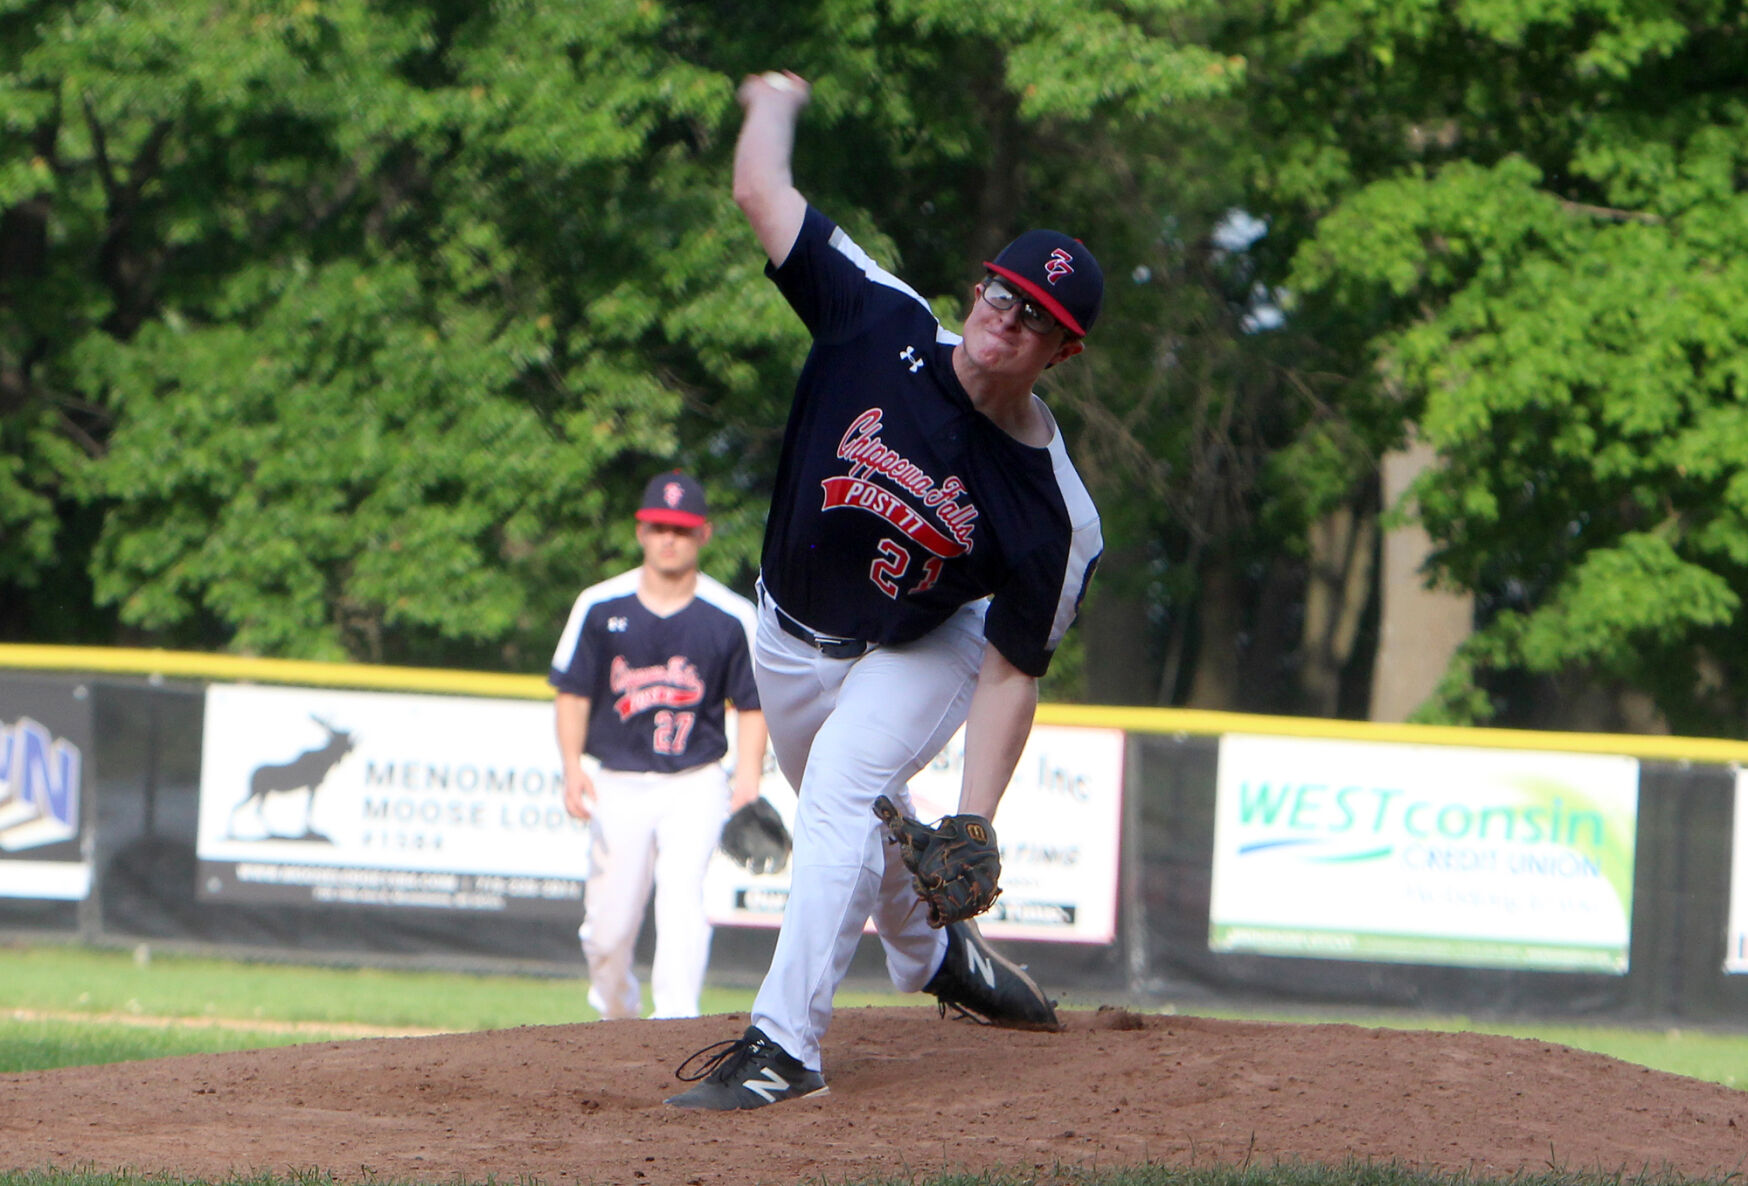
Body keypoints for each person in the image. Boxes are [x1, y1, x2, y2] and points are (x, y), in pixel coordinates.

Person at [665, 70, 1103, 1109]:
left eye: (1034, 315)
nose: (1006, 317)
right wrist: (771, 101)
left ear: (1061, 349)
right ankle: (937, 955)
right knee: (859, 816)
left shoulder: (1052, 509)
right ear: (976, 288)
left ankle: (784, 1050)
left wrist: (978, 820)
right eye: (1001, 291)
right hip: (787, 633)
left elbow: (1010, 669)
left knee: (836, 799)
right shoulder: (877, 321)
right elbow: (761, 195)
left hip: (922, 644)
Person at [549, 470, 767, 1021]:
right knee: (608, 928)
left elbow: (752, 703)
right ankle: (617, 1013)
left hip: (695, 780)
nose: (670, 538)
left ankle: (675, 1023)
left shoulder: (731, 615)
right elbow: (572, 693)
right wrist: (572, 767)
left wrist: (746, 781)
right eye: (660, 527)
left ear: (704, 535)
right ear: (642, 532)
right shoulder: (599, 606)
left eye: (682, 528)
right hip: (619, 780)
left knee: (682, 902)